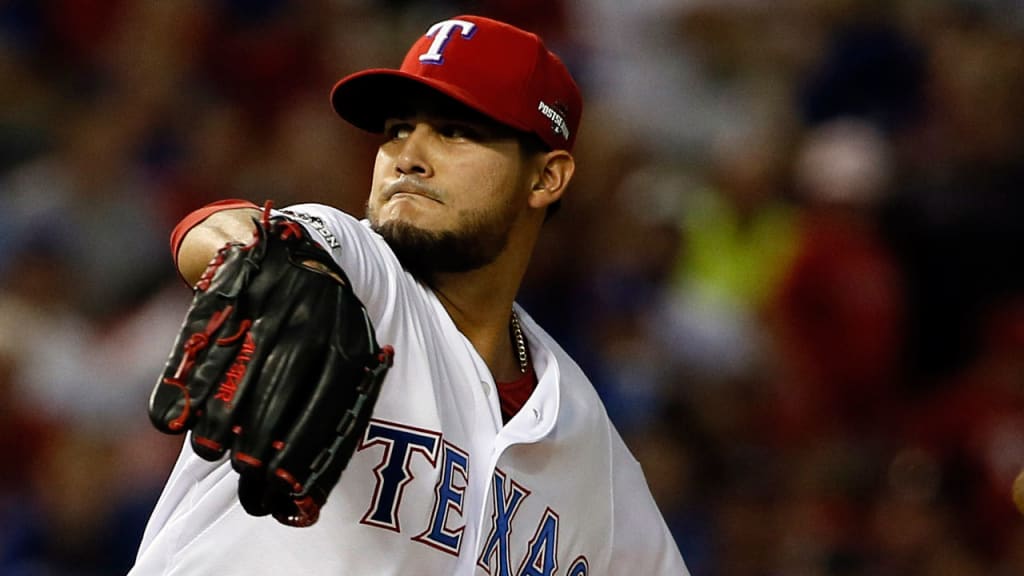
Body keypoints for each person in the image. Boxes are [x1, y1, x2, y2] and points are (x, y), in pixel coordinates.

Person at [130, 14, 689, 575]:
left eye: (454, 131)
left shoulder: (587, 444)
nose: (408, 156)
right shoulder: (363, 275)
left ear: (546, 178)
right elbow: (231, 231)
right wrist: (274, 271)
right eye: (397, 128)